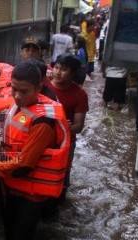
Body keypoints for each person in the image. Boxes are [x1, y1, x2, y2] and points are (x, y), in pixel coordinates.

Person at [0, 63, 71, 240]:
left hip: (31, 192)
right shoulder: (23, 104)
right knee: (10, 232)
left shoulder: (43, 121)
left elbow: (24, 165)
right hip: (13, 186)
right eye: (14, 89)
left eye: (23, 91)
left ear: (39, 88)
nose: (17, 96)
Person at [47, 53, 88, 202]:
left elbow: (78, 125)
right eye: (56, 67)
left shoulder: (80, 95)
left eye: (63, 69)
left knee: (62, 174)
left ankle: (60, 199)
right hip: (43, 137)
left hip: (65, 141)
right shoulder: (43, 84)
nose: (58, 72)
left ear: (72, 73)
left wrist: (65, 127)